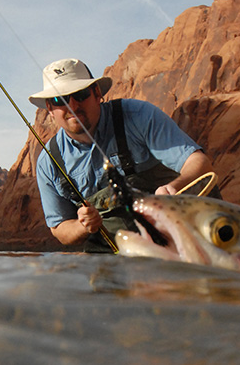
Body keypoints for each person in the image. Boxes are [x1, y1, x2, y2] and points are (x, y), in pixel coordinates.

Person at [29, 58, 217, 252]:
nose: (73, 106)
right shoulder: (48, 163)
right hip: (115, 260)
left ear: (97, 93)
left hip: (182, 242)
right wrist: (82, 225)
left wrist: (175, 187)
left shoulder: (138, 115)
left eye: (80, 94)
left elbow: (198, 162)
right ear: (50, 109)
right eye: (60, 100)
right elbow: (59, 228)